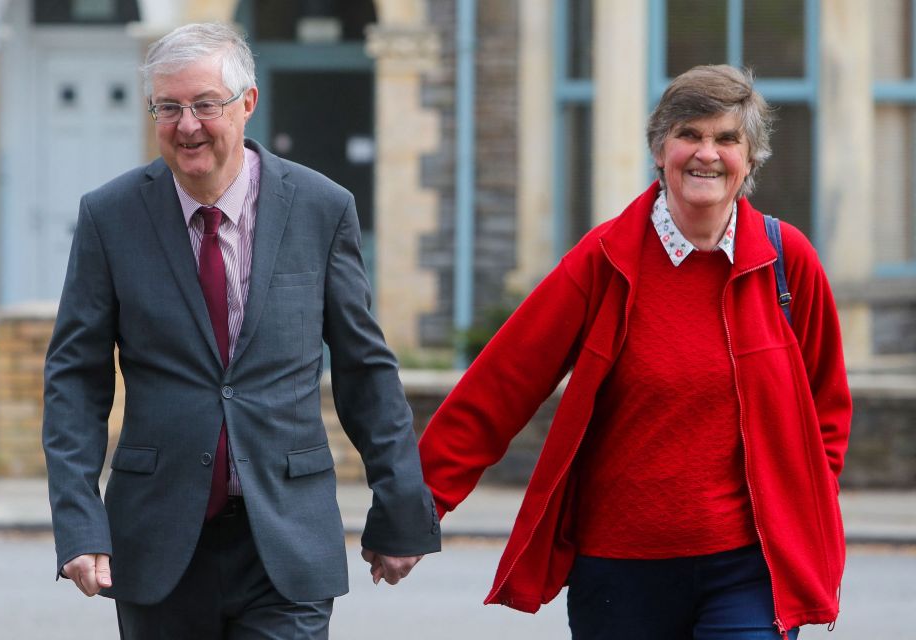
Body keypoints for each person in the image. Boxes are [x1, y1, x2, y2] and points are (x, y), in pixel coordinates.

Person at [418, 65, 850, 640]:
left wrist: (804, 504)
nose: (707, 153)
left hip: (751, 567)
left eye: (726, 139)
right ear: (660, 148)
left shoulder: (785, 260)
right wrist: (418, 505)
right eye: (689, 135)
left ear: (750, 158)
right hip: (619, 572)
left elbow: (827, 406)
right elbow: (502, 383)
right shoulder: (606, 259)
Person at [42, 22, 439, 639]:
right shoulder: (109, 216)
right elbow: (74, 380)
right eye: (169, 107)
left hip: (286, 541)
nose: (188, 124)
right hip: (157, 542)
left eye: (205, 104)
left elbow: (365, 370)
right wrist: (79, 521)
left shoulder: (321, 208)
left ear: (247, 103)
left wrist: (400, 508)